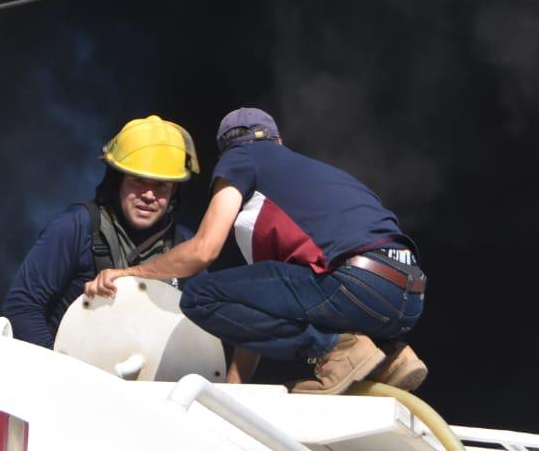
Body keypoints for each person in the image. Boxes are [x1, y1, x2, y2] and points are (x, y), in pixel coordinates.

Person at [84, 107, 427, 395]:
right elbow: (256, 305)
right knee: (269, 295)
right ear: (279, 141)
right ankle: (388, 358)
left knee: (201, 296)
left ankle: (334, 353)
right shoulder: (315, 176)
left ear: (226, 151)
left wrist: (131, 272)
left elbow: (204, 250)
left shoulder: (241, 161)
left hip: (355, 283)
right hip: (407, 295)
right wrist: (235, 392)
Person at [1, 115, 200, 348]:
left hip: (150, 382)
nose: (148, 195)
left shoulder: (186, 245)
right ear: (118, 181)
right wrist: (62, 369)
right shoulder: (76, 227)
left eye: (161, 186)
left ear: (174, 190)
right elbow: (22, 305)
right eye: (137, 180)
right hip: (69, 376)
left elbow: (204, 326)